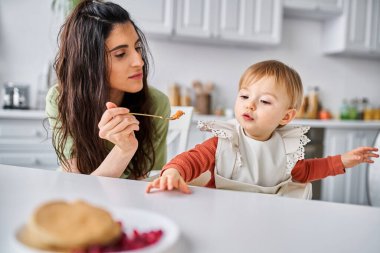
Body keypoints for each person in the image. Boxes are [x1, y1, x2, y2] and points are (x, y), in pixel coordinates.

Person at [146, 60, 379, 198]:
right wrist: (173, 172)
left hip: (266, 216)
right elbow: (192, 160)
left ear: (286, 116)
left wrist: (343, 161)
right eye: (245, 95)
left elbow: (305, 172)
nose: (250, 104)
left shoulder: (285, 149)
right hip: (221, 212)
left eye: (265, 101)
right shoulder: (225, 140)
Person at [46, 0, 170, 179]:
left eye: (138, 48)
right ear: (89, 63)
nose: (139, 61)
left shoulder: (157, 104)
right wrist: (123, 151)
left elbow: (150, 181)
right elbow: (77, 186)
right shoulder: (60, 99)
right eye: (120, 54)